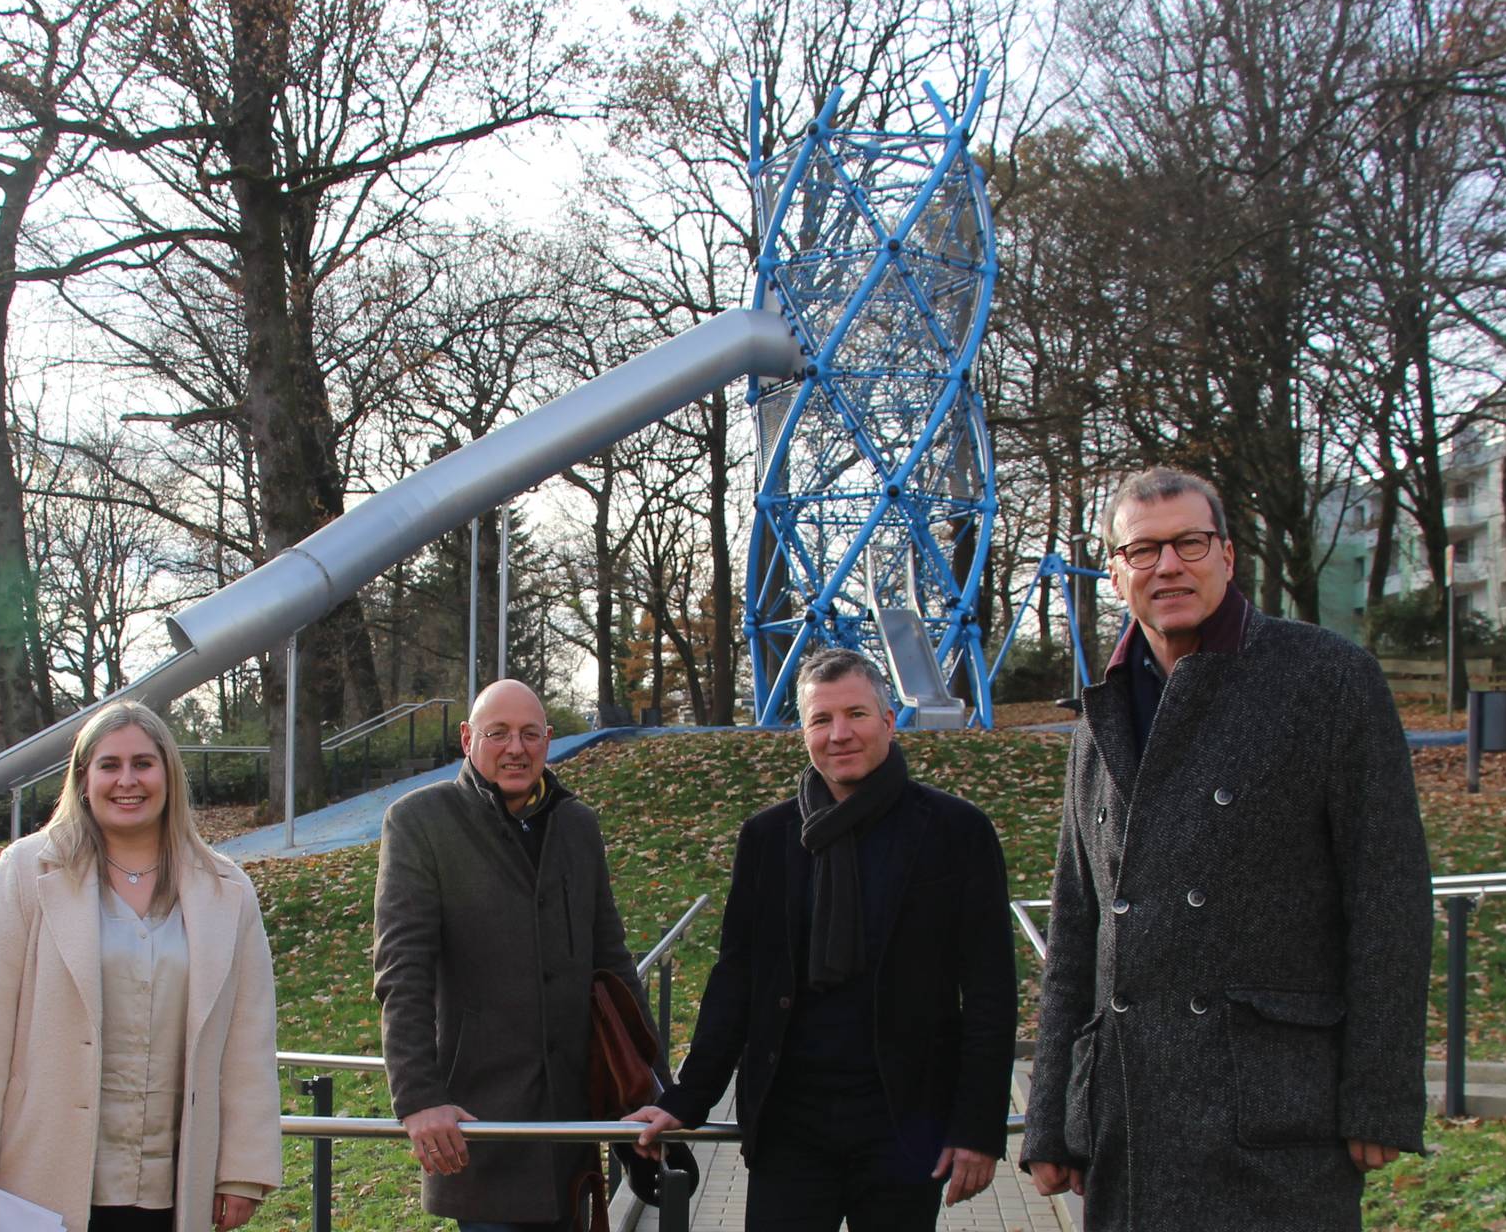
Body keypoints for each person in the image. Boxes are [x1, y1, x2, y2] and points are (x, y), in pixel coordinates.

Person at [1020, 467, 1431, 1230]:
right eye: (1142, 551)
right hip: (1130, 1120)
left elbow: (1389, 895)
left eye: (1189, 543)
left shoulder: (1328, 680)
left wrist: (1379, 1092)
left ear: (1228, 555)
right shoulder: (1098, 713)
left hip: (1273, 1112)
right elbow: (1078, 928)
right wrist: (1053, 1116)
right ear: (1115, 571)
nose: (1167, 566)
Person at [625, 648, 1017, 1231]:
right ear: (801, 732)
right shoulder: (769, 837)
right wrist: (688, 1098)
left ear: (888, 720)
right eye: (820, 720)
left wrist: (978, 1127)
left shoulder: (954, 831)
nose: (839, 734)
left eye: (856, 714)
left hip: (905, 1124)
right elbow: (738, 976)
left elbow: (989, 988)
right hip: (790, 1125)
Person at [0, 701, 281, 1232]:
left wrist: (242, 1170)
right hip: (34, 1169)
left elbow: (248, 1040)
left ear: (169, 775)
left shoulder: (226, 890)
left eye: (143, 764)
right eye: (109, 765)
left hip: (171, 1182)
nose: (128, 781)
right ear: (82, 779)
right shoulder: (26, 872)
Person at [375, 679, 642, 1231]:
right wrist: (419, 1098)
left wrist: (650, 1088)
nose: (515, 748)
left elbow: (612, 964)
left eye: (529, 734)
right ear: (468, 738)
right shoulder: (422, 822)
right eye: (498, 733)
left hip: (572, 1122)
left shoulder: (577, 824)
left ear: (548, 740)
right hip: (481, 1123)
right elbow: (403, 971)